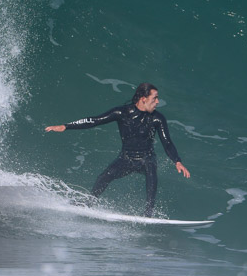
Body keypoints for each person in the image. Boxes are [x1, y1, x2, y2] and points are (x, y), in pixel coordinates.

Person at [45, 82, 190, 217]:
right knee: (103, 177)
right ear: (143, 99)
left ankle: (148, 213)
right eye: (155, 98)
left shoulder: (158, 118)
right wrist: (66, 126)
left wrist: (177, 161)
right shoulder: (122, 113)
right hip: (126, 158)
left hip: (147, 158)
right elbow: (94, 120)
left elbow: (167, 142)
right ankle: (88, 203)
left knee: (152, 180)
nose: (158, 102)